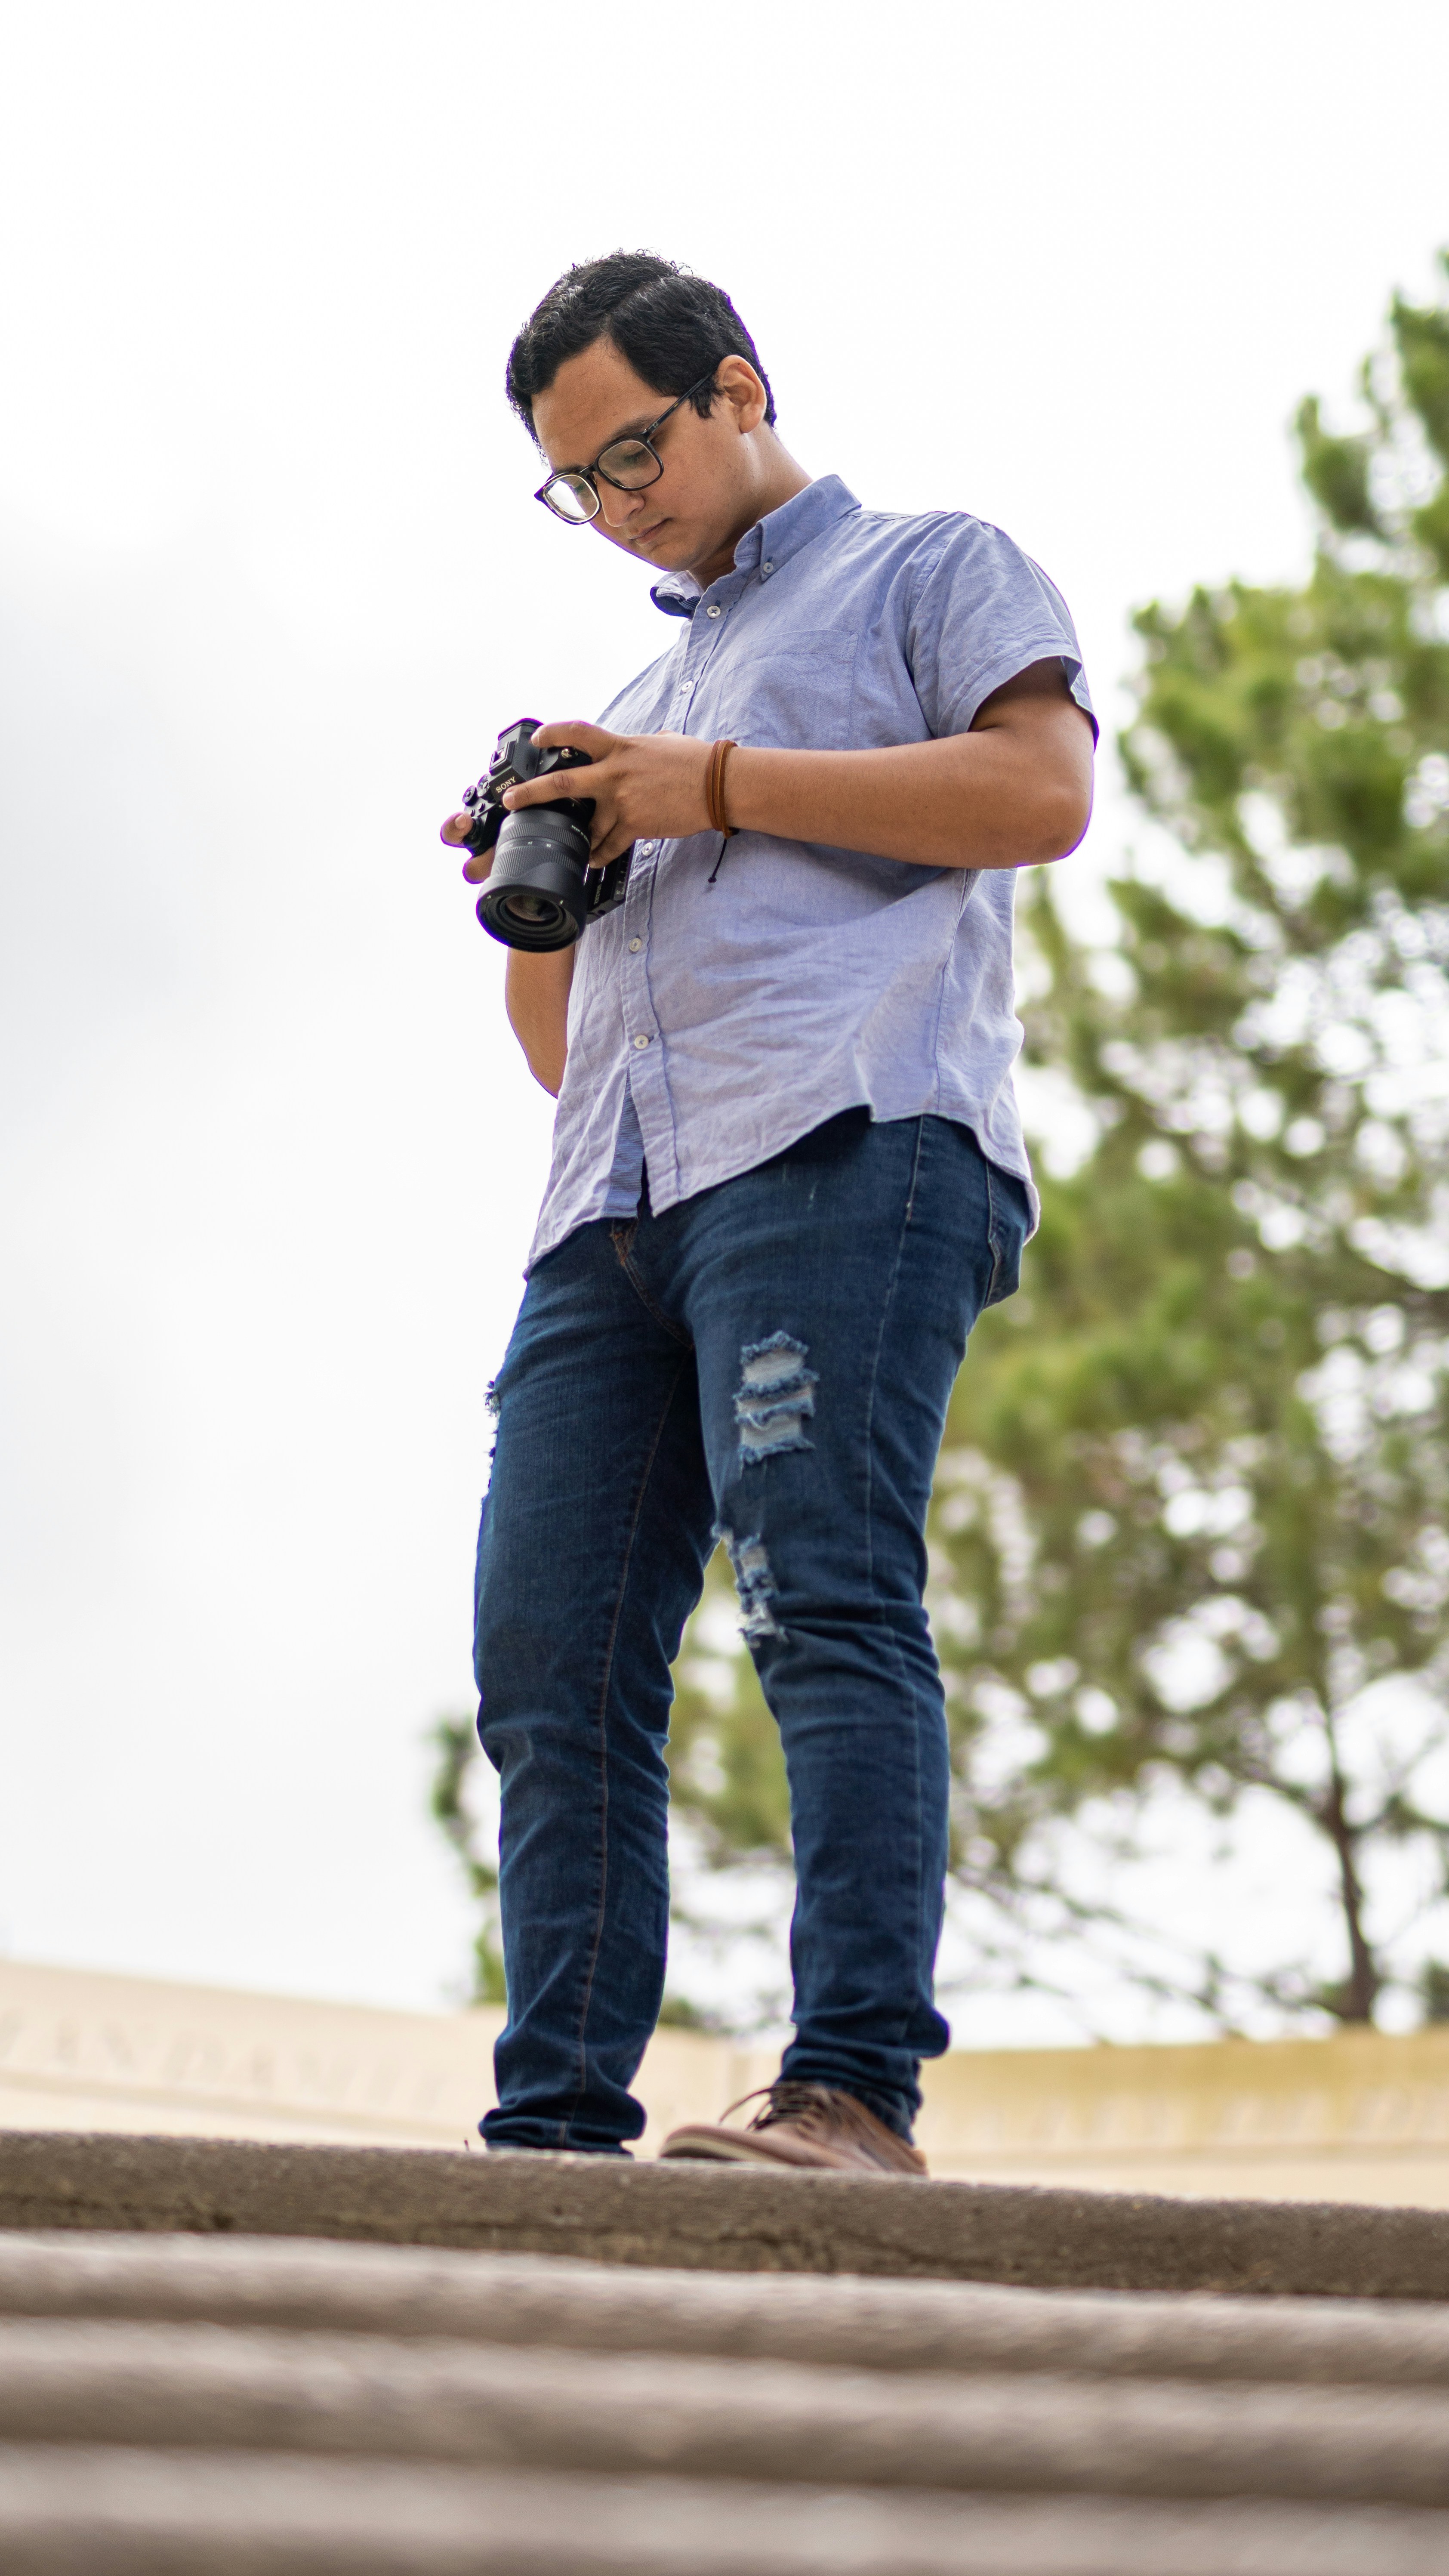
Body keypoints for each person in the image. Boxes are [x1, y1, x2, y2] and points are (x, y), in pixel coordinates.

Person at [445, 251, 1095, 2177]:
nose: (615, 504)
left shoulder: (931, 568)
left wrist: (706, 785)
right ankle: (555, 2133)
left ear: (738, 386)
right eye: (576, 483)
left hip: (839, 1147)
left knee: (819, 1598)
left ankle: (852, 2093)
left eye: (634, 450)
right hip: (612, 1210)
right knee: (545, 1664)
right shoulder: (634, 710)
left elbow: (1039, 793)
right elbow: (562, 1052)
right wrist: (539, 874)